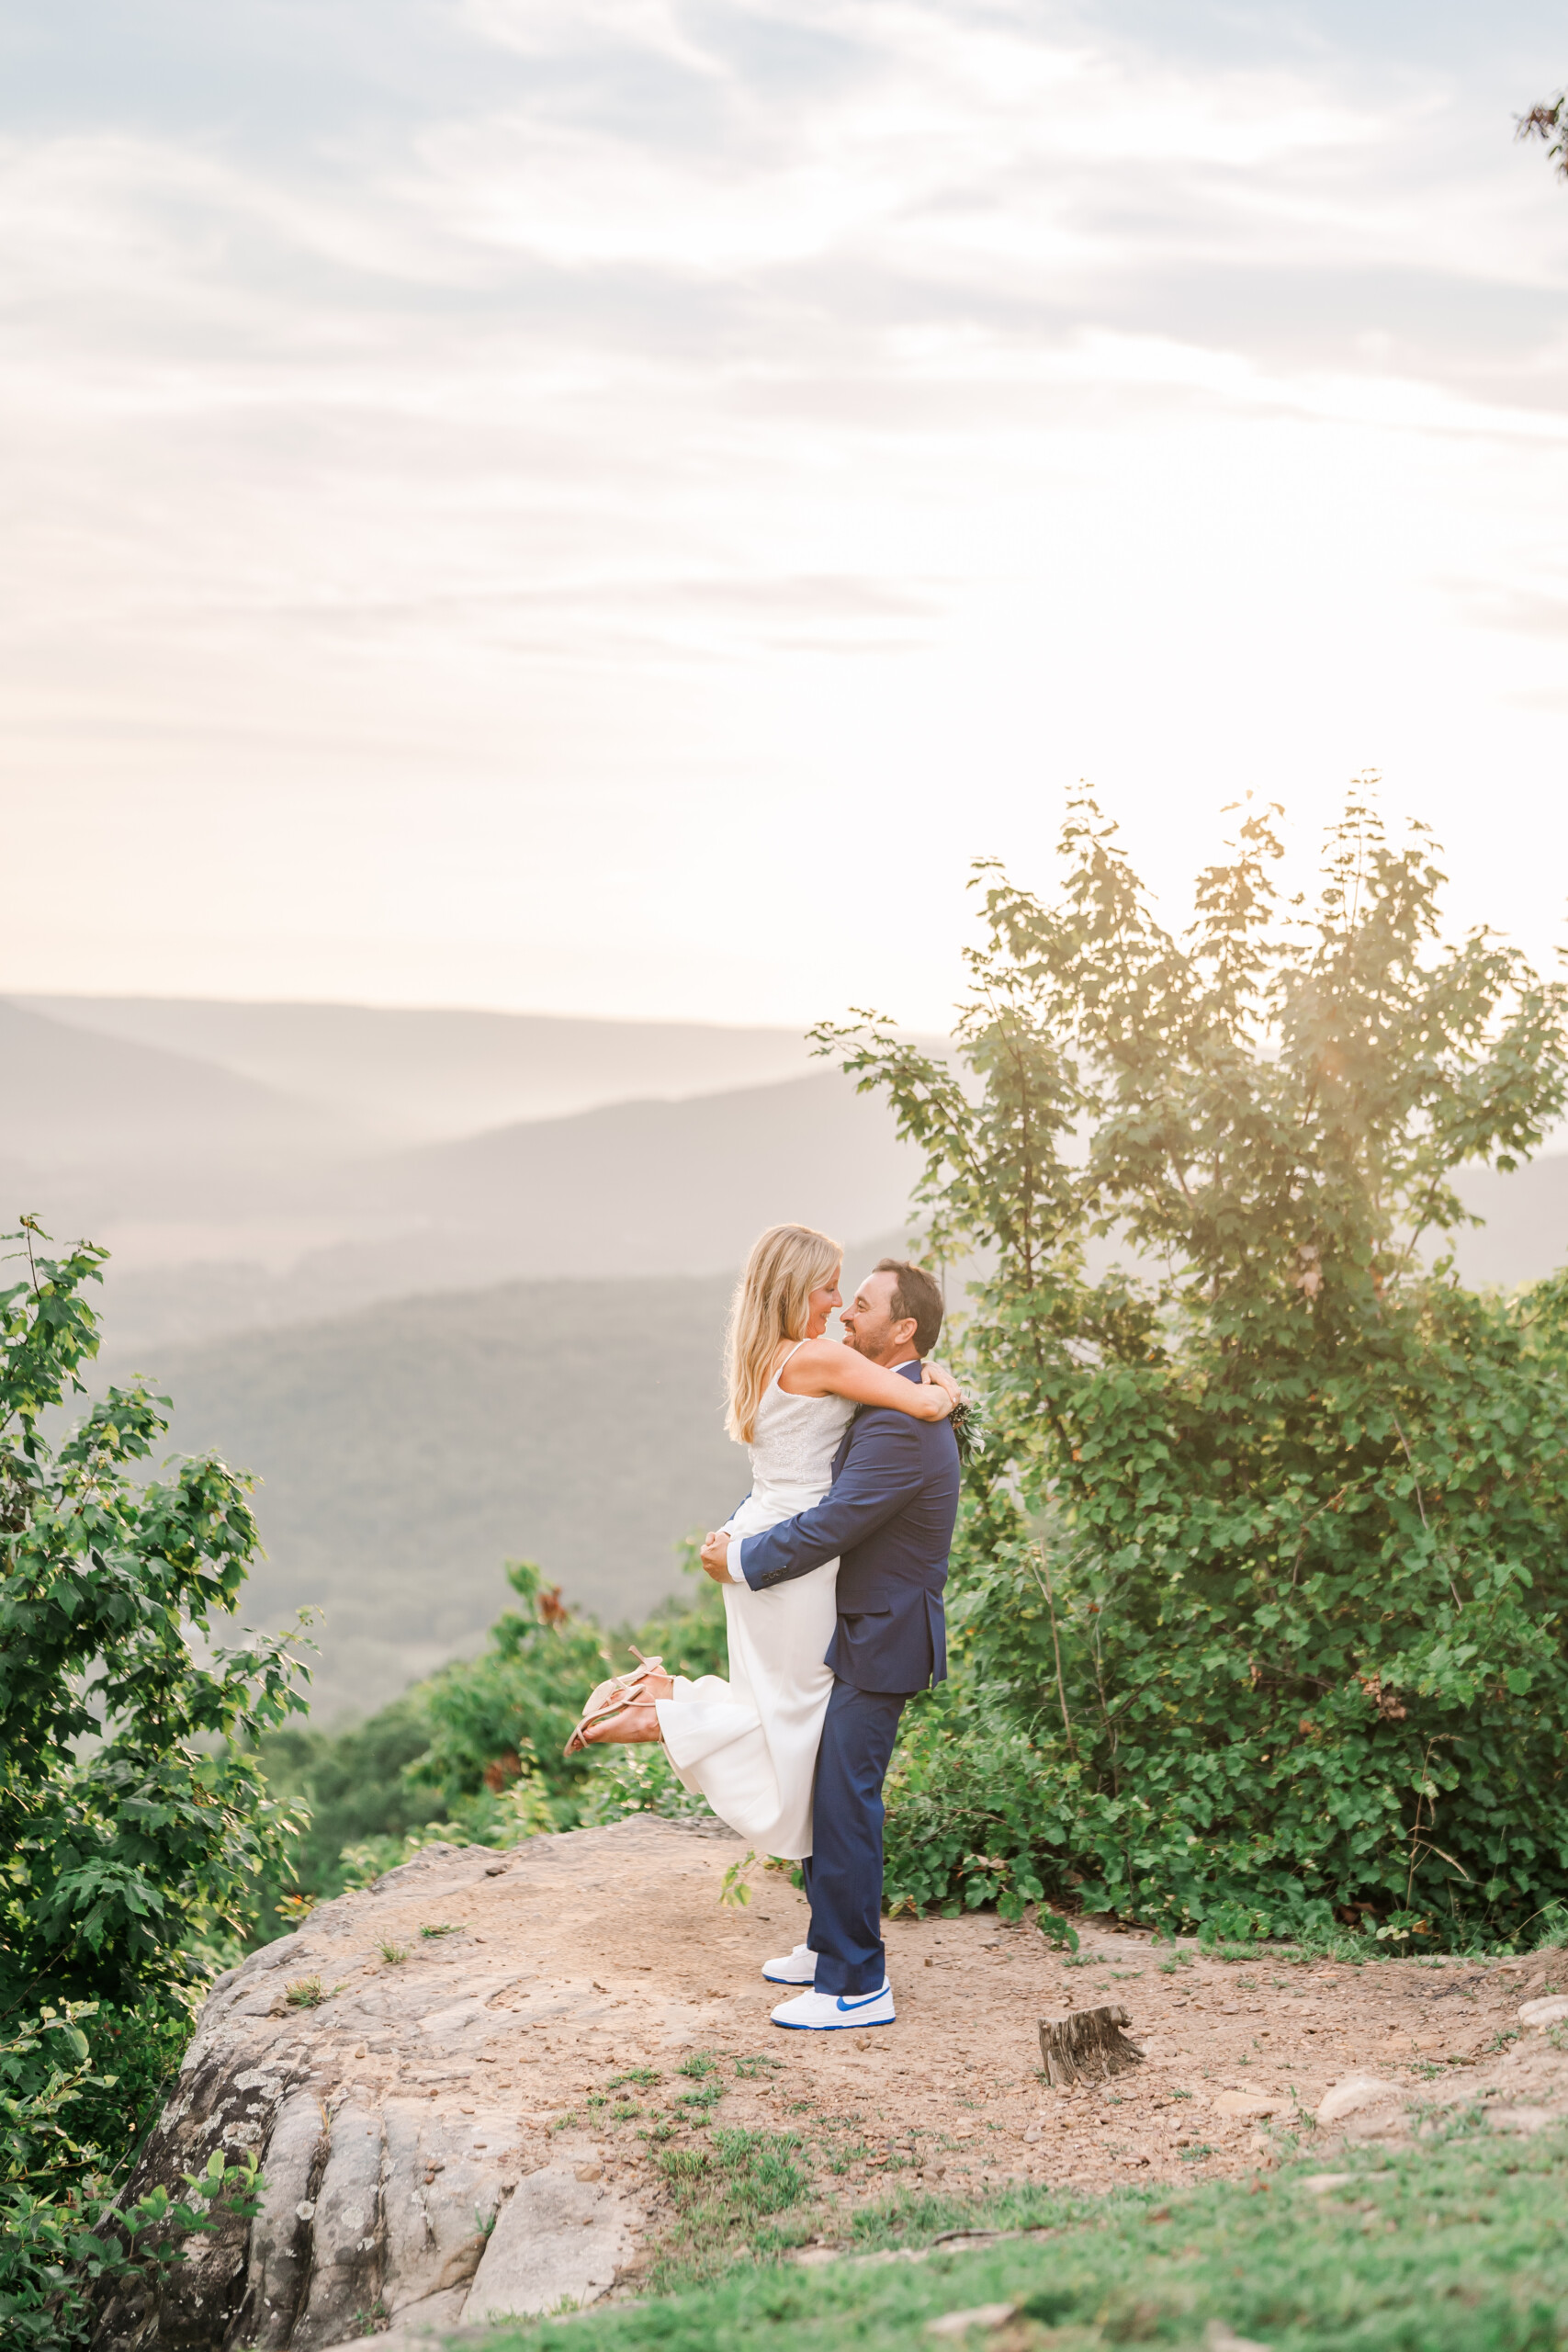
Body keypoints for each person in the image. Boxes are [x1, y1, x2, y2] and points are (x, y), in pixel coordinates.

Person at [561, 1225, 957, 1881]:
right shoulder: (818, 1359)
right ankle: (665, 1713)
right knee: (793, 1729)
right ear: (798, 1289)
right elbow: (918, 1400)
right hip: (786, 1563)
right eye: (831, 1288)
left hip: (757, 1537)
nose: (836, 1305)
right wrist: (947, 1390)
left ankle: (668, 1701)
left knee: (778, 1715)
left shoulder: (766, 1355)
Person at [699, 1253, 959, 2032]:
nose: (846, 1313)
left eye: (864, 1305)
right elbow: (802, 1478)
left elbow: (833, 1522)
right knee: (824, 1780)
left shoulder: (899, 1426)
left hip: (881, 1634)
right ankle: (826, 1943)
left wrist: (743, 1561)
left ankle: (856, 1984)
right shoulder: (885, 1403)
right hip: (854, 1624)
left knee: (846, 1799)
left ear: (901, 1328)